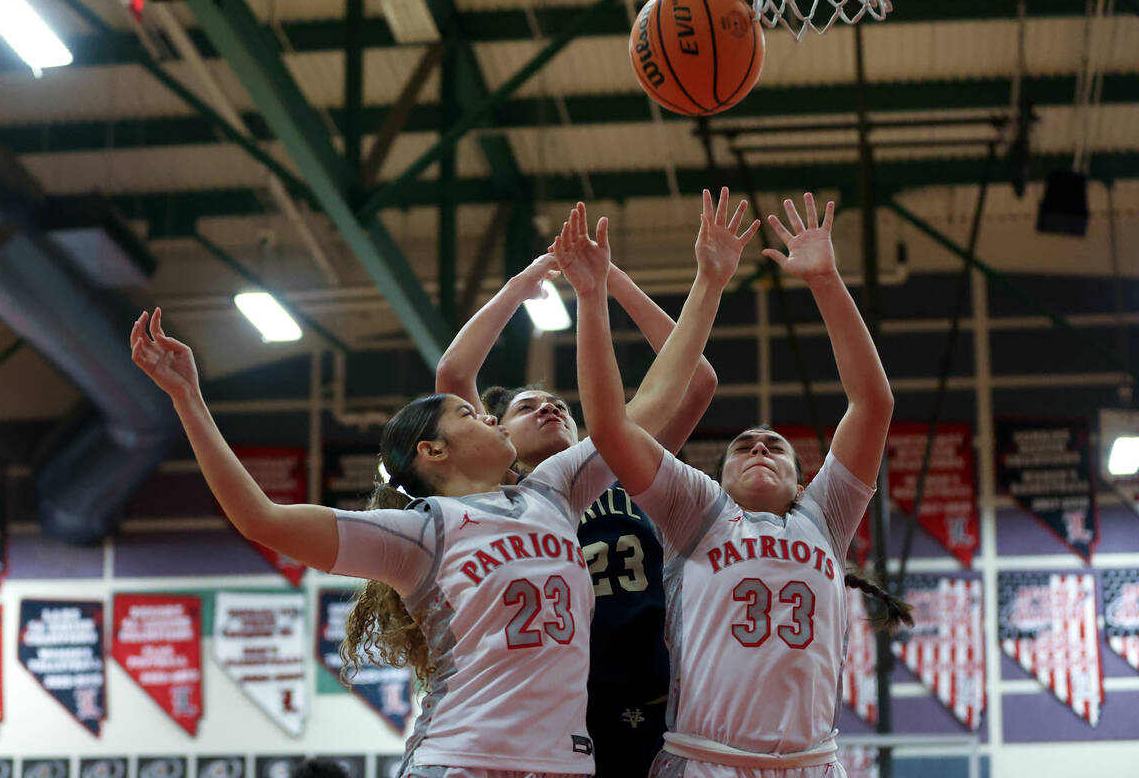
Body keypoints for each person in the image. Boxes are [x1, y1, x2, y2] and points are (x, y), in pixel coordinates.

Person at [129, 305, 688, 778]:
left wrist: (684, 281)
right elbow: (261, 519)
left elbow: (656, 400)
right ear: (433, 451)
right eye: (469, 413)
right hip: (460, 758)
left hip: (565, 764)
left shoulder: (556, 491)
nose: (491, 420)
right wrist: (188, 399)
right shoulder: (421, 530)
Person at [561, 192, 911, 777]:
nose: (757, 448)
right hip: (706, 761)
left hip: (812, 763)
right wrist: (606, 296)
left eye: (773, 445)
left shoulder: (825, 516)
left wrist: (825, 280)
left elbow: (873, 403)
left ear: (804, 481)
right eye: (741, 447)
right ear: (716, 476)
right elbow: (610, 428)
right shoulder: (699, 511)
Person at [432, 196, 758, 778]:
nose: (551, 407)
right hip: (553, 702)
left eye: (559, 404)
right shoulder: (496, 495)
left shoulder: (616, 466)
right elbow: (454, 378)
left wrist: (606, 279)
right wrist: (518, 286)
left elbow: (697, 381)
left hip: (655, 695)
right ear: (493, 430)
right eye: (528, 406)